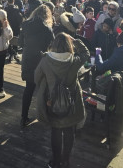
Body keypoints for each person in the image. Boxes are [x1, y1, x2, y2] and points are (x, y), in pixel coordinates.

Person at [35, 33, 89, 168]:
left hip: (52, 102)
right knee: (69, 130)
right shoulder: (74, 60)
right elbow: (86, 53)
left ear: (54, 45)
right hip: (71, 102)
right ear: (68, 45)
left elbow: (37, 78)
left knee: (56, 131)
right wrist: (75, 40)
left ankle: (56, 161)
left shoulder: (45, 60)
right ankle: (66, 160)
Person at [19, 5, 54, 127]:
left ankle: (23, 117)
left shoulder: (26, 24)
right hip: (40, 59)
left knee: (28, 88)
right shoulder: (47, 29)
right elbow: (52, 46)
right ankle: (44, 115)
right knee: (44, 88)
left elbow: (19, 42)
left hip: (28, 58)